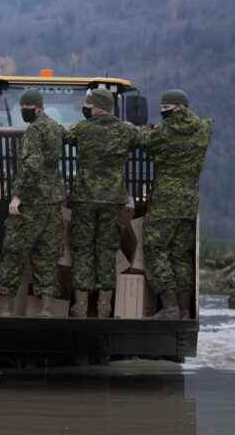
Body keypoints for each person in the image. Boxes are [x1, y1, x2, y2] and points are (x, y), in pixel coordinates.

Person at [65, 88, 141, 318]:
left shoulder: (82, 129)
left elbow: (66, 137)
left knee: (83, 249)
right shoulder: (125, 130)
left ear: (95, 106)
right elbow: (143, 139)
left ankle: (80, 305)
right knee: (107, 250)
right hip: (112, 199)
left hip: (85, 198)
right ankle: (104, 306)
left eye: (88, 105)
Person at [140, 89, 213, 320]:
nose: (164, 114)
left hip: (165, 202)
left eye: (166, 110)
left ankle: (169, 305)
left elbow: (144, 141)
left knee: (155, 249)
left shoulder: (164, 132)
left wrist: (147, 130)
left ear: (177, 108)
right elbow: (207, 126)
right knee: (180, 255)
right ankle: (183, 309)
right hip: (189, 202)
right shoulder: (203, 129)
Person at [0, 89, 65, 317]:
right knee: (46, 255)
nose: (24, 111)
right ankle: (46, 308)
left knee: (14, 252)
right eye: (22, 107)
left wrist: (18, 196)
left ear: (38, 108)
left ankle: (4, 308)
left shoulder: (34, 130)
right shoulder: (55, 127)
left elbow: (32, 165)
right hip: (52, 201)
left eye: (27, 108)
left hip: (32, 203)